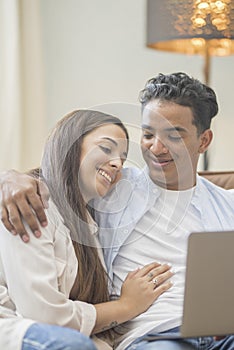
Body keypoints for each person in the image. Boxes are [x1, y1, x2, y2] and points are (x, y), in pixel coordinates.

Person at [1, 72, 234, 350]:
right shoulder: (112, 189)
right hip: (157, 335)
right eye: (148, 134)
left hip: (225, 331)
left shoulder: (227, 204)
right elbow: (62, 177)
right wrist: (8, 177)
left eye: (173, 135)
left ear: (204, 140)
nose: (156, 148)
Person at [0, 109, 173, 350]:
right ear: (70, 146)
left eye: (122, 159)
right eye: (106, 148)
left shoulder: (90, 226)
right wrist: (126, 306)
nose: (116, 163)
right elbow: (43, 316)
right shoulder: (32, 201)